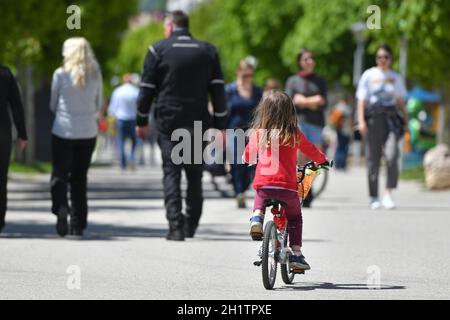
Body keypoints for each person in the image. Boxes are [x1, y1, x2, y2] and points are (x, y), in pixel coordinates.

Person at [136, 11, 227, 241]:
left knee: (172, 173)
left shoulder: (157, 50)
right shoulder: (207, 51)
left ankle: (176, 227)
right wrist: (221, 124)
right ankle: (191, 224)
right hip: (197, 121)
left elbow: (146, 89)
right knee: (194, 175)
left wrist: (141, 119)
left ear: (169, 26)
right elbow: (218, 91)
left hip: (168, 121)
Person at [243, 91, 327, 269]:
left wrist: (246, 158)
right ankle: (296, 255)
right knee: (295, 218)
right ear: (290, 112)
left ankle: (257, 217)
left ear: (264, 111)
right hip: (288, 188)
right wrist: (323, 160)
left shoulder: (260, 134)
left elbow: (248, 153)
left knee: (260, 194)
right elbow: (311, 151)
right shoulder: (294, 134)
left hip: (265, 185)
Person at [50, 37, 103, 237]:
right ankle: (78, 223)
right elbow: (98, 104)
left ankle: (61, 206)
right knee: (80, 178)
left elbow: (53, 104)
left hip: (63, 130)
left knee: (59, 174)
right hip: (88, 131)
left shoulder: (60, 74)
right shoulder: (95, 74)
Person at [356, 44, 408, 210]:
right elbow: (361, 101)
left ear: (391, 59)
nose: (382, 60)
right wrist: (361, 121)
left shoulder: (396, 77)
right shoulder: (369, 75)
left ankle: (388, 193)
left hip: (391, 119)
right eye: (379, 57)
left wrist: (406, 121)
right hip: (373, 119)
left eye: (386, 57)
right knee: (373, 158)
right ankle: (373, 196)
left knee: (392, 156)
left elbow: (400, 101)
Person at [286, 48, 327, 207]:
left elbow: (323, 101)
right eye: (306, 59)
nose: (309, 61)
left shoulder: (320, 81)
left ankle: (306, 186)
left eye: (311, 58)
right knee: (301, 159)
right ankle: (301, 191)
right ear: (300, 62)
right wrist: (313, 101)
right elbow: (291, 101)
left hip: (316, 123)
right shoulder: (293, 81)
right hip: (300, 122)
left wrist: (303, 100)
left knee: (316, 158)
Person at [226, 57, 263, 208]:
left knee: (252, 163)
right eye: (244, 74)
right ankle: (239, 191)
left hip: (252, 130)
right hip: (234, 130)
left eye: (250, 74)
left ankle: (244, 186)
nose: (247, 77)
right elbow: (222, 111)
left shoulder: (257, 91)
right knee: (237, 161)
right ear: (238, 72)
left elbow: (261, 111)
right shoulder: (230, 90)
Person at [0, 65, 28, 233]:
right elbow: (16, 104)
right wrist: (22, 134)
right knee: (1, 177)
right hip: (2, 130)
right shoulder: (5, 73)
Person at [108, 74, 139, 171]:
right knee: (134, 141)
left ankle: (123, 163)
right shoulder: (136, 91)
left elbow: (112, 108)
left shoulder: (118, 91)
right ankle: (131, 157)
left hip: (121, 119)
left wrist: (112, 120)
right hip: (133, 119)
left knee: (121, 141)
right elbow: (139, 107)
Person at [329, 94, 354, 170]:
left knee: (339, 146)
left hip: (338, 128)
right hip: (345, 129)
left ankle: (337, 164)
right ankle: (342, 164)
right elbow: (349, 120)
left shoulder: (337, 106)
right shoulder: (347, 108)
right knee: (344, 147)